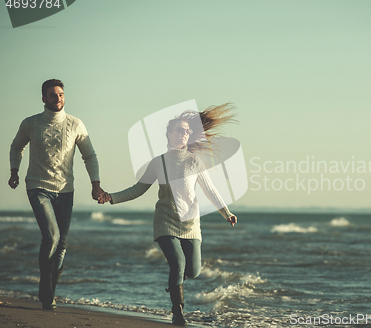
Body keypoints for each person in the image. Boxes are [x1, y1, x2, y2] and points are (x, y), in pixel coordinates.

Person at [99, 104, 237, 326]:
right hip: (165, 220)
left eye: (187, 131)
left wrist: (226, 213)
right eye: (180, 130)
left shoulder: (194, 161)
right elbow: (137, 190)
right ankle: (178, 312)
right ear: (169, 134)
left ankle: (174, 285)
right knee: (178, 263)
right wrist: (110, 197)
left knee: (193, 271)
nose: (184, 134)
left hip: (191, 222)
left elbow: (210, 190)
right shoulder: (159, 162)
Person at [8, 79, 105, 310]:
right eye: (53, 95)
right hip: (38, 187)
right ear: (44, 98)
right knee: (51, 236)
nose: (58, 99)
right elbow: (16, 146)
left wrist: (96, 184)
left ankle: (50, 288)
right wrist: (14, 171)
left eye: (61, 94)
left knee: (62, 244)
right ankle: (46, 285)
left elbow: (89, 156)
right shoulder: (30, 124)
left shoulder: (75, 124)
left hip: (65, 191)